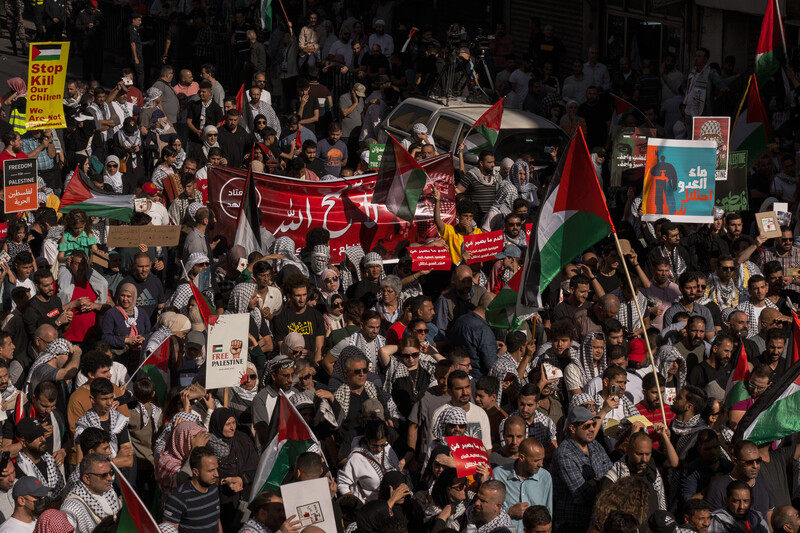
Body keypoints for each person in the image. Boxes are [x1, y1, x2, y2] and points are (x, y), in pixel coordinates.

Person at [493, 438, 553, 533]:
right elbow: (487, 511)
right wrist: (509, 511)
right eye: (536, 460)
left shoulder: (545, 477)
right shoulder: (499, 475)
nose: (541, 464)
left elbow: (548, 514)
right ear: (522, 457)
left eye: (542, 459)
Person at [163, 447, 221, 533]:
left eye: (216, 469)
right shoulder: (178, 498)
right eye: (211, 470)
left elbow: (216, 521)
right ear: (196, 472)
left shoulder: (213, 488)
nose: (216, 474)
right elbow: (169, 529)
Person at [60, 454, 120, 533]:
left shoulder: (109, 491)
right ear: (87, 479)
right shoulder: (72, 508)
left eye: (111, 473)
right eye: (103, 475)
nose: (109, 478)